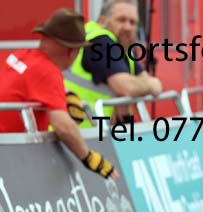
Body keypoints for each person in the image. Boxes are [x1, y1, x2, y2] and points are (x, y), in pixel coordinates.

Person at [0, 8, 118, 181]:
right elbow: (63, 126)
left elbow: (29, 84)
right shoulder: (48, 72)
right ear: (72, 51)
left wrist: (66, 94)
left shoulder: (22, 55)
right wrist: (89, 158)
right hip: (9, 156)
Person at [64, 0, 163, 127]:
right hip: (83, 134)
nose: (127, 27)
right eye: (121, 20)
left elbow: (137, 81)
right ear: (102, 21)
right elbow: (127, 87)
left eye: (132, 22)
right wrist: (153, 84)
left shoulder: (123, 48)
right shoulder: (101, 41)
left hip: (94, 132)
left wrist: (121, 96)